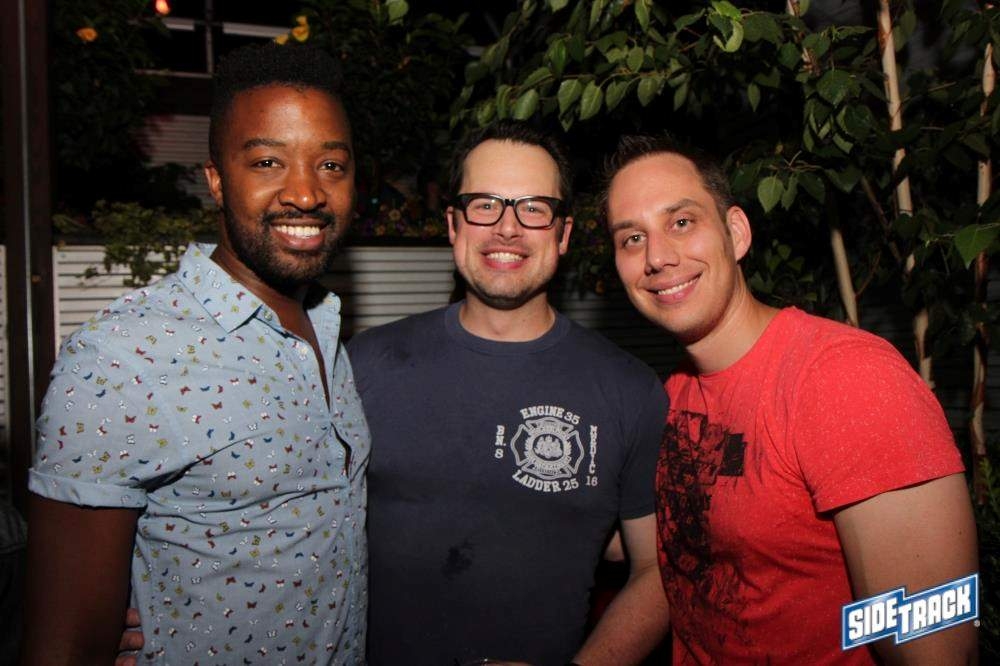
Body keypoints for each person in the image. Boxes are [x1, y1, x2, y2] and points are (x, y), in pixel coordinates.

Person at [21, 43, 370, 665]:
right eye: (267, 161)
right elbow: (63, 643)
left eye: (331, 165)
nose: (306, 192)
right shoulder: (120, 358)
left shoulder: (328, 328)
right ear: (216, 180)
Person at [602, 134, 978, 664]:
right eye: (632, 238)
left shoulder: (845, 378)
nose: (658, 257)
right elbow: (661, 544)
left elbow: (936, 647)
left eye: (681, 222)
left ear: (736, 232)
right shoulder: (675, 393)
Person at [347, 121, 670, 665]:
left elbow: (657, 571)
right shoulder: (363, 366)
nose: (507, 228)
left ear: (562, 234)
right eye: (485, 205)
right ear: (453, 224)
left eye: (533, 208)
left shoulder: (629, 390)